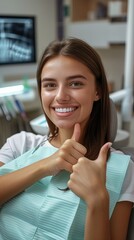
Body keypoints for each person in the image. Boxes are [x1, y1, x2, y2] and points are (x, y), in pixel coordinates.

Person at [0, 37, 134, 240]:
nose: (61, 96)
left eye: (75, 83)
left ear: (97, 91)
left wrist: (97, 199)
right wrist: (47, 164)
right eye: (50, 85)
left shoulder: (123, 170)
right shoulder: (20, 145)